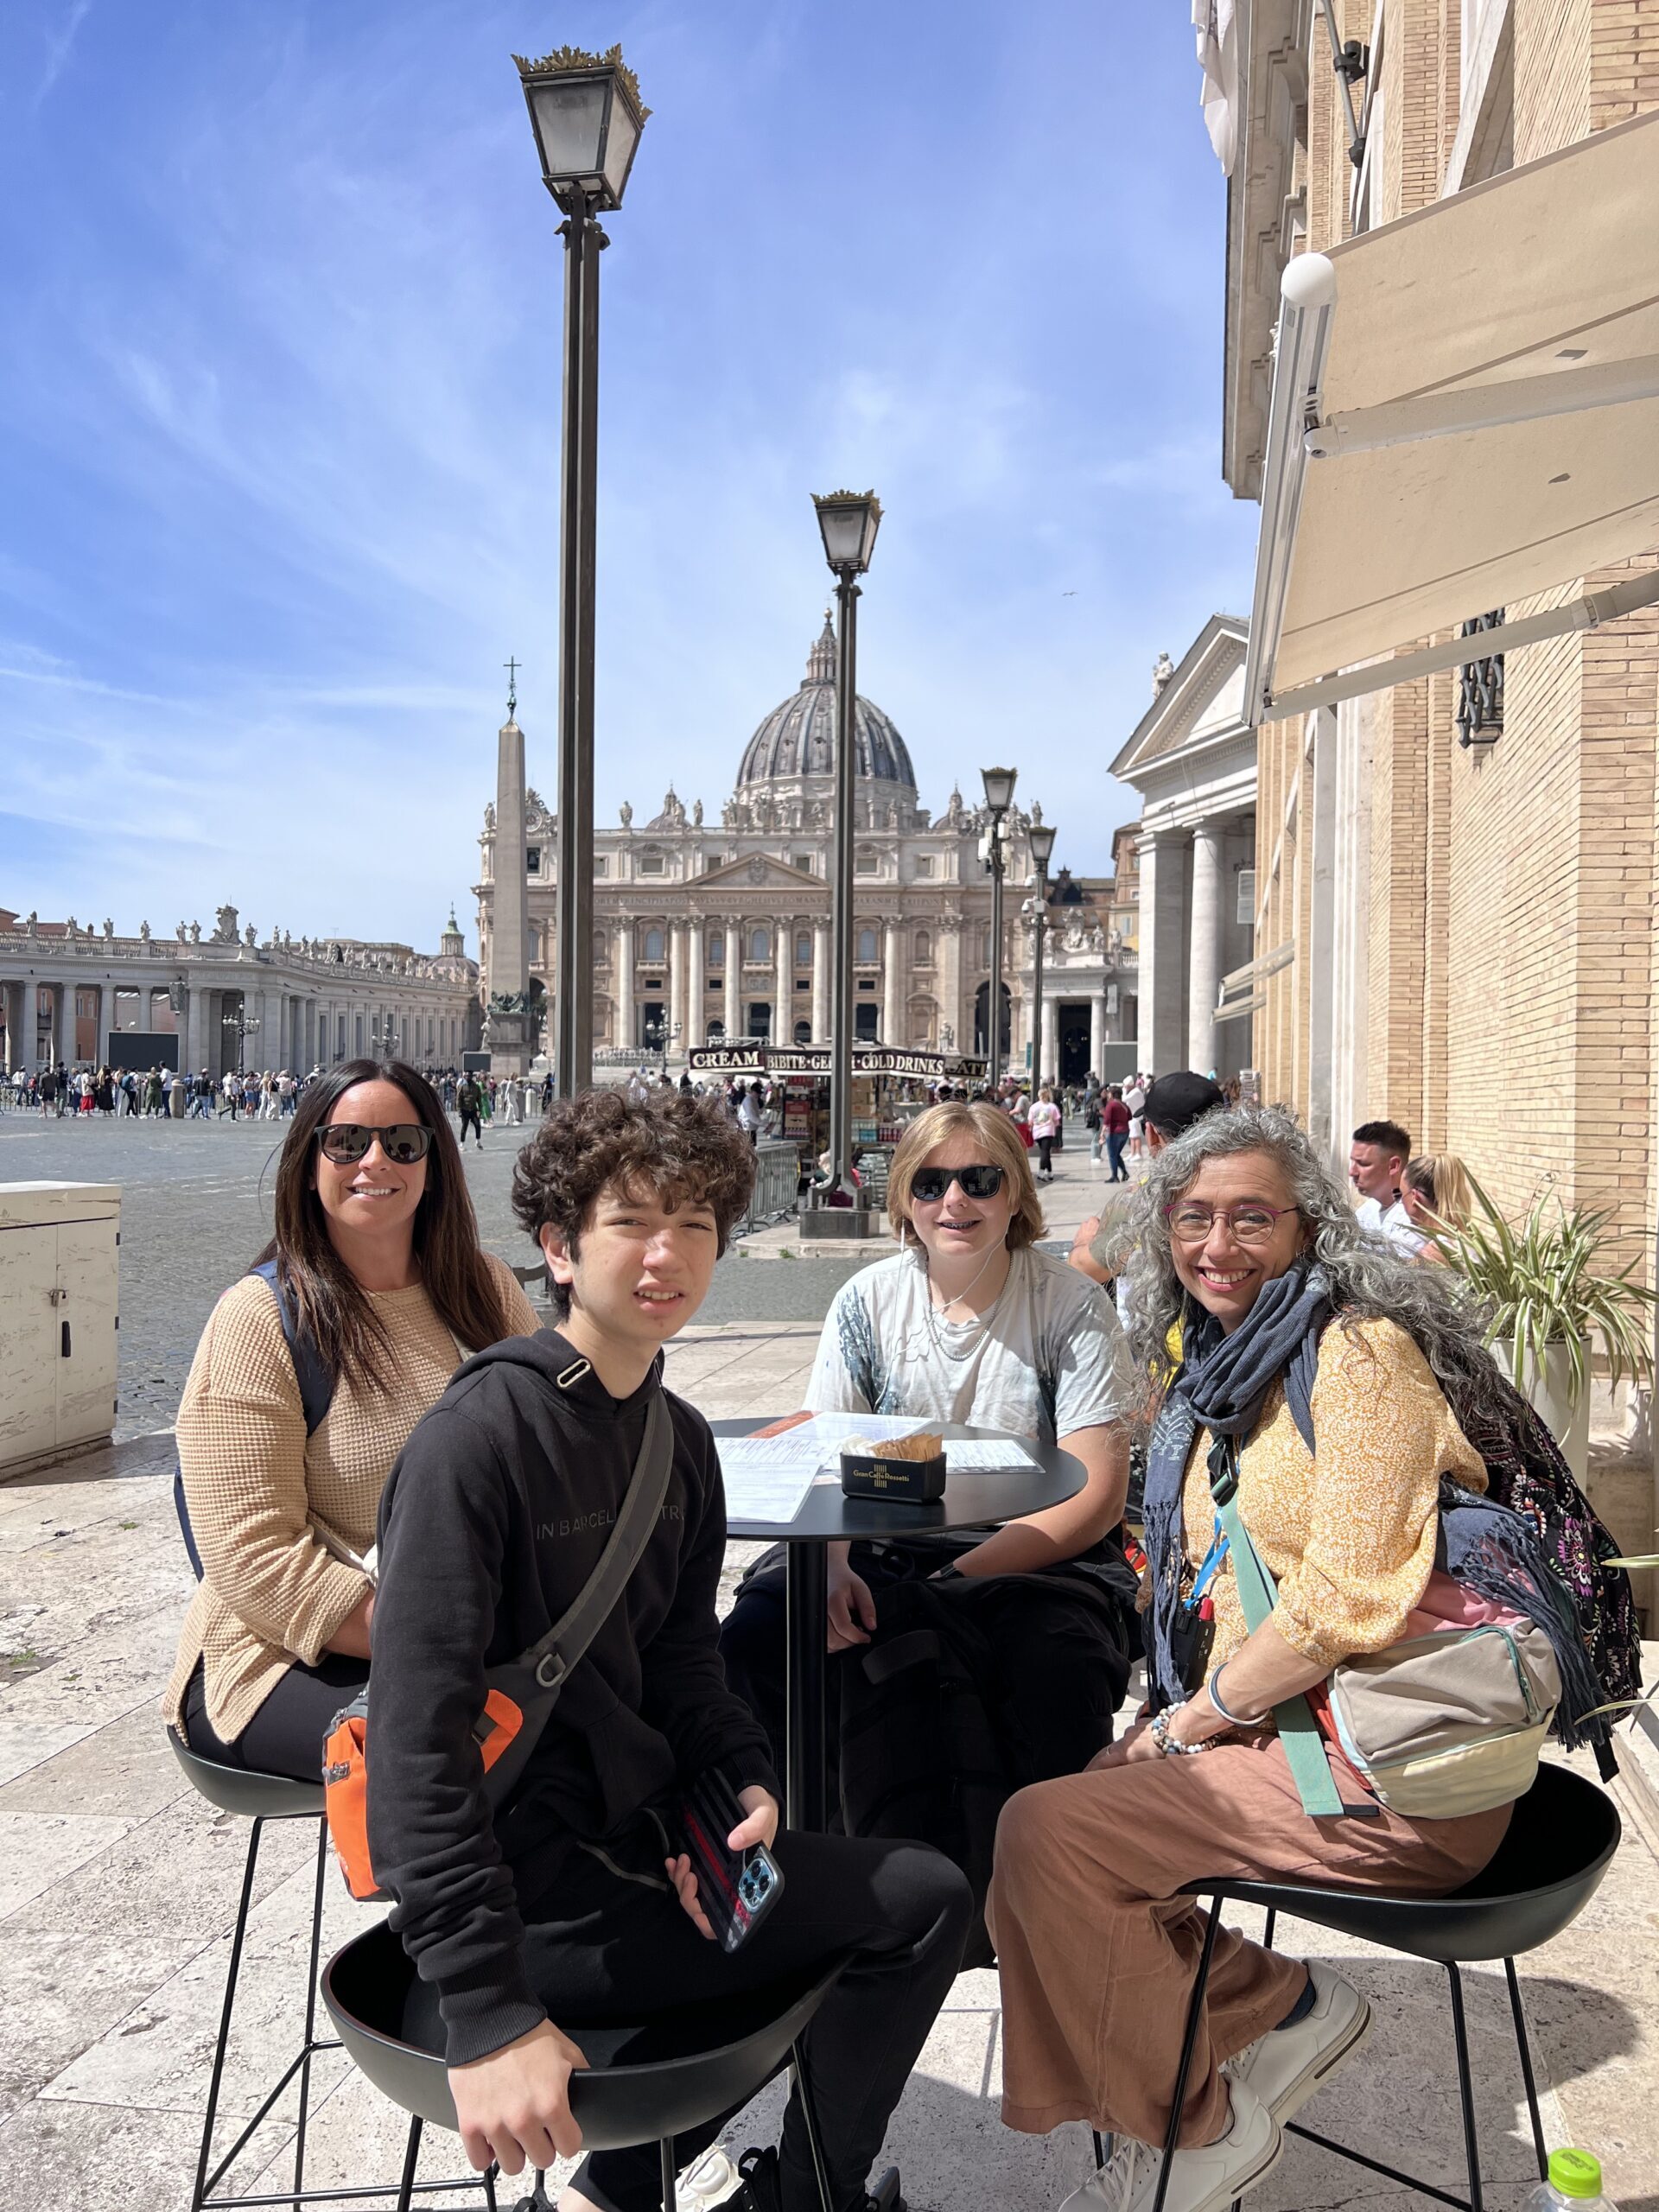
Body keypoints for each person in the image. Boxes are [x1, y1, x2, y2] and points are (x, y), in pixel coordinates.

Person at [367, 1087, 973, 2212]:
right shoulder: (473, 1444)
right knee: (922, 1901)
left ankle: (638, 2185)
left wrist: (733, 1774)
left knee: (903, 1876)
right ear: (556, 1244)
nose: (668, 1255)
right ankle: (783, 2198)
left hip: (638, 1846)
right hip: (532, 1899)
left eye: (695, 1224)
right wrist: (490, 2009)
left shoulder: (679, 1439)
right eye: (632, 1223)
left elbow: (684, 1662)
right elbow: (416, 1743)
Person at [988, 1103, 1523, 2212]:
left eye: (1251, 1218)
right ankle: (1275, 2008)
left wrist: (1184, 1722)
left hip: (1395, 1769)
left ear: (1309, 1227)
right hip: (1294, 1736)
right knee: (1065, 1817)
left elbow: (1339, 1602)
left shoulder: (1359, 1352)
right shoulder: (1222, 1368)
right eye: (1193, 1218)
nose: (1217, 1247)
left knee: (1047, 1834)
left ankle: (1196, 2134)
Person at [720, 1100, 1138, 1830]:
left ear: (1016, 1194)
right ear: (903, 1198)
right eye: (930, 1184)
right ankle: (786, 1849)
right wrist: (833, 1566)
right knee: (758, 1633)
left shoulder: (1071, 1305)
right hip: (875, 1539)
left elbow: (1095, 1494)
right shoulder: (867, 1301)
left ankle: (1042, 1879)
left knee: (1053, 1668)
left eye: (980, 1180)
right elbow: (825, 1455)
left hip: (1031, 1550)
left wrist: (954, 1578)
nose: (954, 1201)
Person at [162, 1058, 538, 1780]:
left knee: (608, 1717)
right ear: (310, 1164)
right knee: (487, 1755)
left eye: (401, 1143)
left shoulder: (486, 1290)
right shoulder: (257, 1320)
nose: (375, 1161)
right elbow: (254, 1559)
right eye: (346, 1143)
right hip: (285, 1655)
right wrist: (445, 1637)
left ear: (433, 1163)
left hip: (477, 1632)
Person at [1070, 1071, 1226, 1300]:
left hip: (1173, 1332)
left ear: (1152, 1134)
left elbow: (1084, 1269)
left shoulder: (1142, 1200)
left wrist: (1085, 1240)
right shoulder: (1258, 1182)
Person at [1349, 1119, 1414, 1251]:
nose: (1352, 1172)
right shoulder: (1366, 1211)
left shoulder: (1412, 1221)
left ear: (1393, 1166)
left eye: (1363, 1164)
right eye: (1353, 1162)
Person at [1401, 1153, 1474, 1262]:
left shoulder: (1432, 1256)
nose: (1401, 1202)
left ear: (1414, 1197)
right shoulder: (1470, 1241)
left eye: (1402, 1194)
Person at [1029, 1084, 1062, 1181]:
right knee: (1045, 1152)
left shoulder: (1033, 1107)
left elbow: (1030, 1121)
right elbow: (1057, 1121)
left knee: (1045, 1152)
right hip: (1048, 1131)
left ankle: (1050, 1173)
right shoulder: (1052, 1106)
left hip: (1037, 1132)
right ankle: (1041, 1173)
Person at [1103, 1084, 1131, 1182]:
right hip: (1125, 1131)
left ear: (1112, 1094)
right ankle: (1125, 1173)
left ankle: (1114, 1176)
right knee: (1116, 1154)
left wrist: (1102, 1135)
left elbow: (1106, 1121)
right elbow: (1130, 1117)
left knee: (1112, 1155)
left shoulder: (1111, 1105)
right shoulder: (1124, 1105)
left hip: (1114, 1132)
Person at [455, 1071, 484, 1149]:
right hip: (465, 1110)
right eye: (467, 1076)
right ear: (464, 1077)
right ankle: (462, 1143)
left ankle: (478, 1141)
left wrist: (480, 1110)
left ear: (472, 1077)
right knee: (464, 1127)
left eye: (470, 1076)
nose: (468, 1077)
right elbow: (458, 1099)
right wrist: (459, 1110)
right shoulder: (462, 1086)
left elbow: (479, 1099)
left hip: (474, 1110)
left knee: (477, 1125)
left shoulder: (476, 1087)